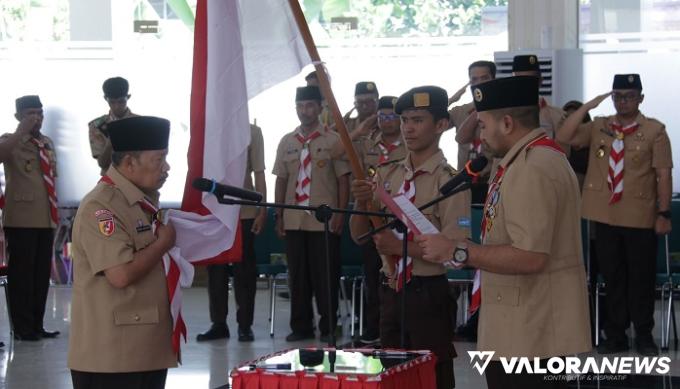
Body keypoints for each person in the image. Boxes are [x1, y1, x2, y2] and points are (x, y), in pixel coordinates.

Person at [416, 76, 591, 389]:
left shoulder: (532, 167)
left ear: (507, 123)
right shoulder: (524, 160)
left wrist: (458, 250)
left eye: (483, 125)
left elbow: (531, 256)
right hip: (522, 329)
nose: (480, 135)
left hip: (531, 334)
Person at [350, 86, 470, 389]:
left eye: (417, 120)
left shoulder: (450, 181)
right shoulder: (388, 176)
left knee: (432, 377)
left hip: (428, 294)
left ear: (441, 125)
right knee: (392, 374)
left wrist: (401, 247)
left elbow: (458, 253)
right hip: (390, 290)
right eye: (404, 120)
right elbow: (360, 236)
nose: (408, 128)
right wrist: (361, 203)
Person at [556, 74, 673, 356]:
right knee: (613, 277)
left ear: (640, 99)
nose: (623, 101)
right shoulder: (599, 126)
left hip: (639, 215)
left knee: (640, 278)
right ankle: (616, 334)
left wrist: (664, 212)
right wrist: (588, 106)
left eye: (629, 96)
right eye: (618, 96)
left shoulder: (655, 131)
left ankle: (644, 334)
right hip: (604, 215)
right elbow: (563, 136)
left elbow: (663, 174)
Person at [68, 116, 177, 388]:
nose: (166, 167)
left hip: (143, 348)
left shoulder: (141, 200)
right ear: (129, 163)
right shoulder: (101, 207)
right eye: (158, 159)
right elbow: (120, 274)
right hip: (113, 357)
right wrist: (162, 245)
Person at [273, 86, 350, 342]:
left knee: (325, 275)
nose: (303, 111)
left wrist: (340, 214)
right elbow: (281, 181)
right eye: (299, 106)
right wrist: (280, 215)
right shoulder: (287, 141)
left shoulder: (333, 140)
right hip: (294, 219)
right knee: (298, 277)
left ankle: (329, 325)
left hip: (324, 220)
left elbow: (343, 180)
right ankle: (301, 326)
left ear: (319, 108)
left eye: (308, 106)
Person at [196, 123, 266, 342]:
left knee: (244, 272)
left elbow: (259, 172)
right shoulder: (210, 130)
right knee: (216, 269)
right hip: (215, 211)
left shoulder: (252, 132)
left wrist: (261, 210)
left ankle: (245, 325)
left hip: (243, 210)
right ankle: (218, 323)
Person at [0, 95, 60, 341]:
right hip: (21, 219)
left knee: (39, 276)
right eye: (31, 114)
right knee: (21, 277)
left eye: (40, 113)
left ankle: (37, 324)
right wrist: (19, 131)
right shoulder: (10, 141)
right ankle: (22, 328)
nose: (37, 118)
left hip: (46, 218)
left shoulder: (46, 143)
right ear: (19, 117)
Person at [355, 95, 407, 345]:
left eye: (392, 116)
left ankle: (399, 322)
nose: (387, 121)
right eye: (382, 116)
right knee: (372, 274)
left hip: (400, 218)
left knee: (398, 271)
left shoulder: (409, 146)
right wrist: (360, 129)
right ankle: (373, 326)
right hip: (372, 217)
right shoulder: (366, 144)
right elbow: (335, 151)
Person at [448, 60, 496, 203]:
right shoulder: (460, 111)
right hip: (464, 185)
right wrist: (451, 99)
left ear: (494, 79)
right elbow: (432, 124)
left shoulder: (502, 113)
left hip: (492, 183)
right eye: (474, 79)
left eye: (484, 78)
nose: (479, 83)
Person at [88, 77, 137, 175]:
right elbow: (102, 163)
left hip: (137, 178)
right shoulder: (97, 126)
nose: (117, 106)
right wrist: (111, 142)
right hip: (111, 179)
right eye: (112, 102)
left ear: (128, 97)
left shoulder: (140, 123)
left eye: (121, 101)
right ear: (105, 98)